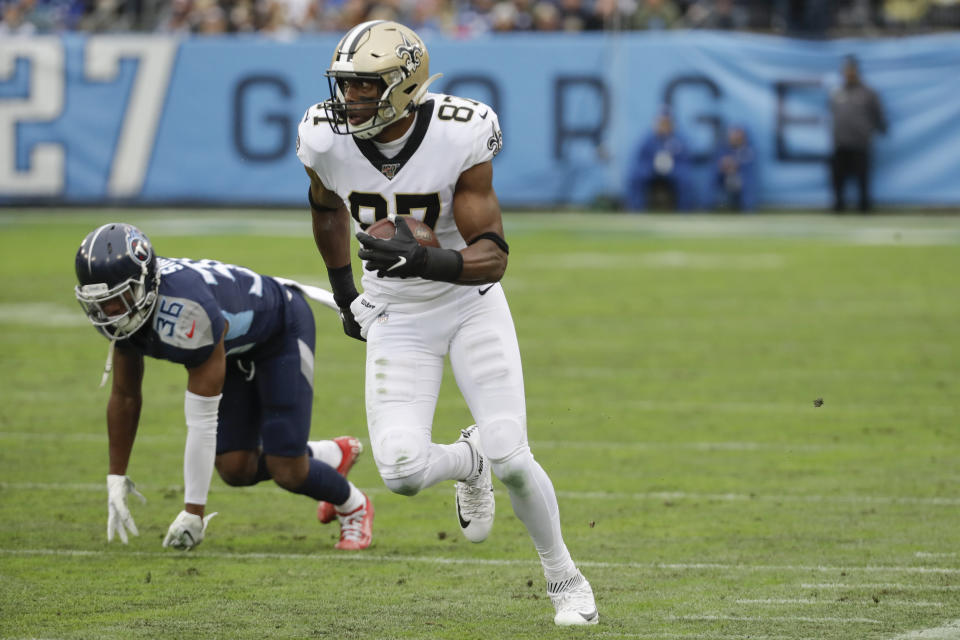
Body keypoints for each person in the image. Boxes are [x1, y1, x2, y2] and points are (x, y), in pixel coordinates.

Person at [295, 20, 598, 626]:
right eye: (345, 86)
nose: (348, 99)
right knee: (402, 472)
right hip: (397, 315)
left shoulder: (460, 133)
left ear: (404, 87)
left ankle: (566, 578)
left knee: (513, 454)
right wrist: (343, 290)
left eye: (364, 87)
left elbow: (493, 255)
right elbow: (326, 208)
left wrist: (426, 258)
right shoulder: (324, 138)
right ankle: (468, 461)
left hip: (468, 302)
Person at [73, 222, 373, 551]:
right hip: (233, 345)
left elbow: (202, 421)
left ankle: (354, 505)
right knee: (236, 468)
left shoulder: (188, 313)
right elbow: (126, 396)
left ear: (144, 283)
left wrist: (193, 513)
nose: (109, 312)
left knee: (287, 469)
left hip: (281, 329)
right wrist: (116, 476)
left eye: (117, 299)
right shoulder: (127, 311)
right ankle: (331, 453)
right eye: (100, 302)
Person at [829, 55, 887, 212]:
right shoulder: (837, 92)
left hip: (860, 142)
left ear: (857, 71)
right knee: (838, 179)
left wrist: (878, 129)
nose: (849, 73)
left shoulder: (868, 93)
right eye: (846, 70)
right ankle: (838, 206)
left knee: (862, 178)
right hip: (840, 142)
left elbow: (878, 115)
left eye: (851, 70)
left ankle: (864, 207)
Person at [625, 110, 693, 212]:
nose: (664, 126)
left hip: (674, 169)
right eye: (661, 123)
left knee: (685, 178)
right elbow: (641, 158)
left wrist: (671, 165)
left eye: (666, 123)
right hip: (651, 169)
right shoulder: (649, 139)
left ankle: (684, 211)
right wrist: (654, 164)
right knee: (636, 176)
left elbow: (685, 159)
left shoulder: (679, 140)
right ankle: (636, 209)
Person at [712, 123, 758, 212]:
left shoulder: (748, 148)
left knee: (748, 182)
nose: (734, 137)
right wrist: (726, 166)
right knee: (712, 177)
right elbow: (719, 163)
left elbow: (745, 164)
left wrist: (734, 164)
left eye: (737, 135)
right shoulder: (723, 147)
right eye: (732, 135)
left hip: (741, 177)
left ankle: (748, 210)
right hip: (724, 176)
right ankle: (709, 208)